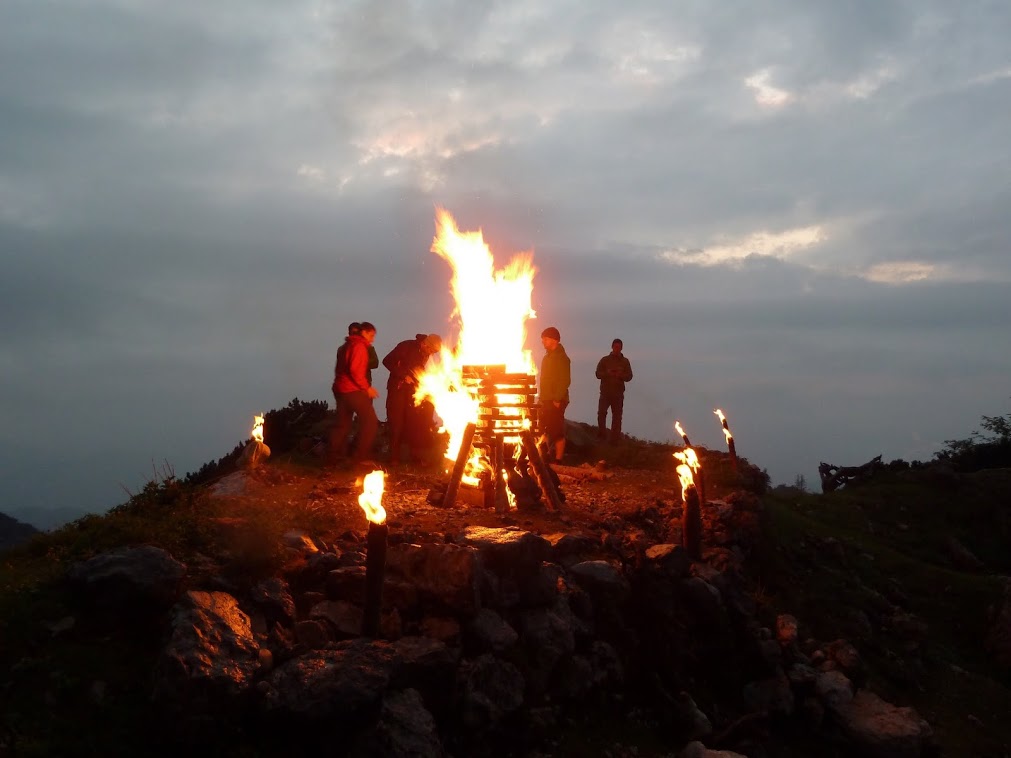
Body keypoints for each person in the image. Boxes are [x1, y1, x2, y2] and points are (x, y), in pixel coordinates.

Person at [382, 333, 442, 465]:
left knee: (414, 423)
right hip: (397, 390)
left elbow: (418, 370)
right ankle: (394, 459)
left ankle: (415, 457)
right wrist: (404, 376)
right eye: (431, 350)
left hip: (412, 392)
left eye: (434, 352)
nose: (431, 354)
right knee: (396, 423)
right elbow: (387, 361)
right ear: (426, 344)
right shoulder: (406, 346)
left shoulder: (425, 353)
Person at [329, 321, 380, 467]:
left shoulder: (346, 346)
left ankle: (332, 460)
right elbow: (355, 370)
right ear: (364, 333)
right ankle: (359, 458)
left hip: (340, 389)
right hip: (353, 391)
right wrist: (366, 388)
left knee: (342, 425)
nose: (372, 339)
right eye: (371, 335)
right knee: (370, 422)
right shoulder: (359, 346)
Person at [537, 326, 571, 463]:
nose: (543, 341)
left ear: (554, 340)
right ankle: (544, 456)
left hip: (556, 400)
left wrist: (557, 399)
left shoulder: (562, 358)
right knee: (544, 429)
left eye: (545, 339)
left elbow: (565, 380)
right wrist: (542, 398)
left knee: (556, 431)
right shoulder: (547, 358)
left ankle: (558, 460)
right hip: (546, 399)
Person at [595, 338, 633, 443]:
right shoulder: (604, 360)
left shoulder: (625, 362)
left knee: (617, 416)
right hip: (605, 393)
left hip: (618, 393)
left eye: (619, 347)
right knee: (601, 413)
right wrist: (607, 373)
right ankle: (602, 435)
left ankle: (614, 439)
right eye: (615, 347)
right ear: (612, 347)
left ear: (621, 348)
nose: (617, 349)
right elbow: (597, 374)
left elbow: (629, 376)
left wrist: (621, 375)